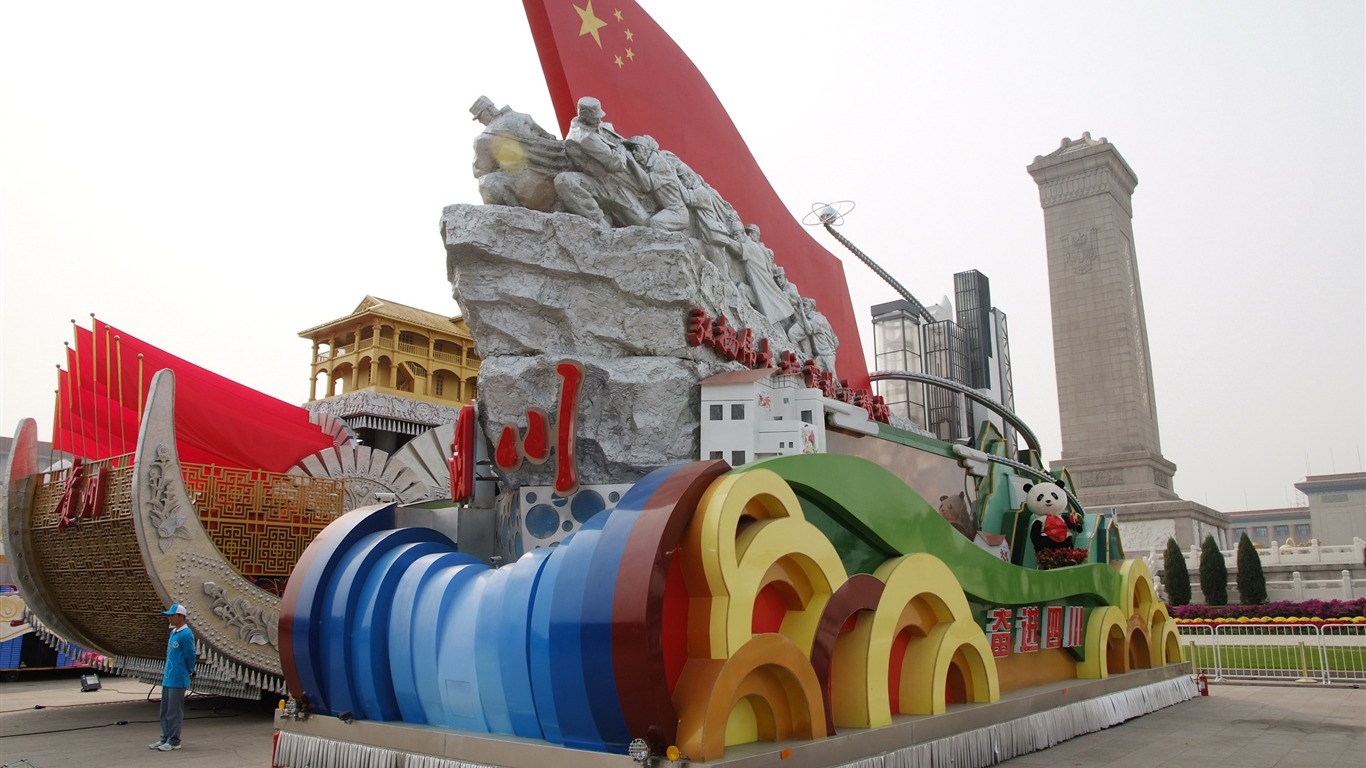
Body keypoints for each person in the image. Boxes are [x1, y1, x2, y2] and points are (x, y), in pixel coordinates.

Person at [554, 96, 652, 228]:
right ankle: (601, 223)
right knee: (644, 224)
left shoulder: (597, 126)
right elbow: (616, 164)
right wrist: (622, 147)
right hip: (603, 182)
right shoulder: (584, 138)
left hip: (616, 180)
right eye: (596, 117)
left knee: (643, 222)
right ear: (584, 117)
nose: (599, 120)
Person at [469, 95, 568, 211]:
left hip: (524, 188)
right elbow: (549, 138)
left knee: (486, 183)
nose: (481, 122)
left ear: (487, 111)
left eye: (480, 117)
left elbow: (480, 170)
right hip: (550, 178)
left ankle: (516, 215)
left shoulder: (484, 138)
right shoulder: (522, 117)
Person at [149, 603, 196, 752]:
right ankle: (165, 737)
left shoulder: (186, 634)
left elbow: (190, 655)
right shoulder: (173, 633)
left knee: (174, 711)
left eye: (172, 615)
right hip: (168, 677)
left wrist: (189, 671)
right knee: (165, 710)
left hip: (178, 678)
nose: (169, 618)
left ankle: (174, 740)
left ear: (181, 616)